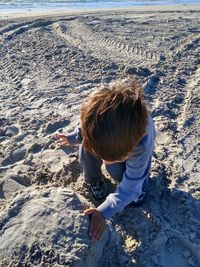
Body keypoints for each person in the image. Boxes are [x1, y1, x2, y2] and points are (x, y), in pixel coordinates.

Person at [54, 78, 156, 241]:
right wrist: (73, 137)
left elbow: (130, 188)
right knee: (87, 145)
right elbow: (87, 126)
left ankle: (139, 185)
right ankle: (94, 180)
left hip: (132, 157)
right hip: (111, 139)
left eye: (110, 158)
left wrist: (103, 212)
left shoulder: (141, 144)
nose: (104, 161)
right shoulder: (101, 110)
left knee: (127, 185)